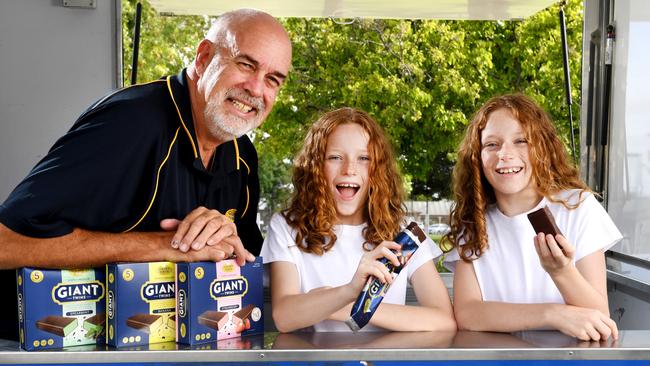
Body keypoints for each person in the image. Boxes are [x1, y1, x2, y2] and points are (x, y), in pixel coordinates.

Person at [0, 9, 292, 340]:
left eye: (273, 79)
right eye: (246, 64)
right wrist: (162, 245)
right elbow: (3, 245)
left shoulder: (242, 156)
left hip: (157, 346)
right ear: (204, 58)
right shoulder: (130, 122)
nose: (256, 88)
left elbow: (242, 268)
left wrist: (226, 241)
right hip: (37, 347)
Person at [261, 107, 456, 332]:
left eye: (363, 158)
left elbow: (444, 321)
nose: (349, 169)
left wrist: (352, 307)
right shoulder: (286, 226)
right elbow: (285, 316)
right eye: (335, 157)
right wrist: (349, 290)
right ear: (315, 167)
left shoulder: (404, 233)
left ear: (377, 170)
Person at [445, 94, 622, 341]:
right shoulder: (473, 222)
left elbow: (599, 316)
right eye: (491, 144)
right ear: (477, 156)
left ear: (542, 148)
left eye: (521, 141)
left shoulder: (578, 207)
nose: (504, 154)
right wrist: (553, 314)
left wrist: (561, 272)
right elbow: (467, 314)